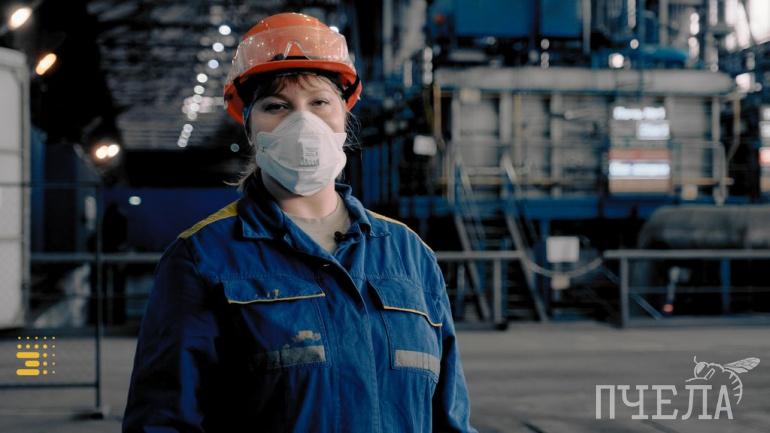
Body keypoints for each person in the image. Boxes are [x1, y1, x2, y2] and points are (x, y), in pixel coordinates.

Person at [122, 12, 477, 433]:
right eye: (276, 106)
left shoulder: (409, 255)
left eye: (320, 103)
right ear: (250, 127)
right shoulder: (203, 259)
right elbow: (162, 423)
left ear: (344, 117)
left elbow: (450, 418)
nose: (302, 123)